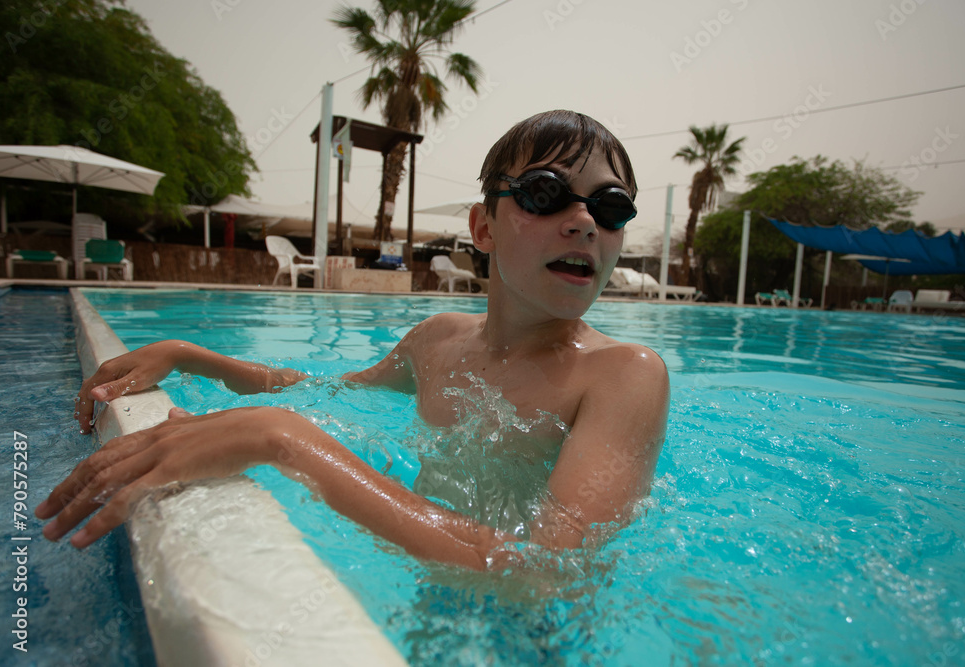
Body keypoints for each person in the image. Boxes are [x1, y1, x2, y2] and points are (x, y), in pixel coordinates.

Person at [36, 110, 670, 571]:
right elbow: (328, 392)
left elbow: (544, 576)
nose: (584, 222)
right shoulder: (438, 341)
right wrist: (188, 354)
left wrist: (282, 441)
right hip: (428, 590)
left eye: (611, 208)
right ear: (483, 227)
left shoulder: (623, 376)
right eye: (546, 195)